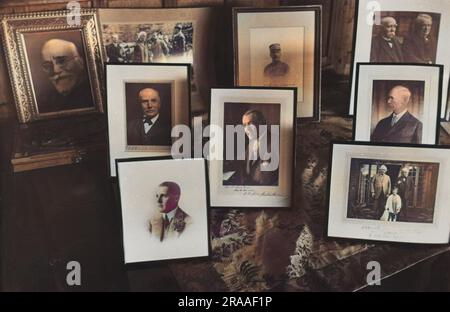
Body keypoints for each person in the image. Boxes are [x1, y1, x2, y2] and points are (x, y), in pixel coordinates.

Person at [39, 38, 94, 113]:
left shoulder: (95, 95)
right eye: (48, 66)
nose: (55, 70)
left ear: (80, 62)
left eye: (62, 61)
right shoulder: (45, 103)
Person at [232, 110, 279, 186]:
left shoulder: (276, 143)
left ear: (262, 123)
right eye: (244, 125)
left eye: (250, 124)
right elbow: (243, 163)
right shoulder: (251, 143)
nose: (247, 129)